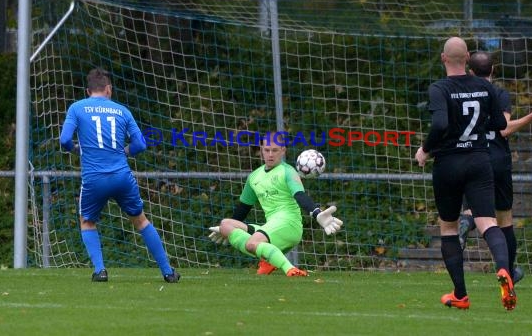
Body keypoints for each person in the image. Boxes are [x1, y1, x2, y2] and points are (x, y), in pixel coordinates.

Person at [415, 37, 515, 310]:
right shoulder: (485, 86)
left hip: (448, 164)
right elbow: (498, 123)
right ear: (468, 57)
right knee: (488, 223)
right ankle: (505, 270)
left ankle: (460, 294)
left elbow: (440, 123)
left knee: (448, 227)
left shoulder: (439, 88)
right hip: (479, 161)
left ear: (443, 58)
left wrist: (425, 149)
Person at [59, 67, 180, 283]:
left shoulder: (77, 108)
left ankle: (100, 270)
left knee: (87, 221)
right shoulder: (122, 110)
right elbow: (140, 144)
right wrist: (125, 151)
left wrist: (77, 149)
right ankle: (168, 272)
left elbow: (64, 140)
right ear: (108, 89)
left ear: (88, 91)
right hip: (122, 176)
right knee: (141, 221)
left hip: (94, 178)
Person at [458, 51, 532, 285]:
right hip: (498, 159)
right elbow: (504, 129)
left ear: (470, 71)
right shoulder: (498, 93)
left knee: (475, 210)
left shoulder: (460, 93)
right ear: (493, 71)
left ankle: (466, 222)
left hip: (473, 157)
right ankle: (508, 271)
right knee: (504, 218)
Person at [208, 132, 343, 276]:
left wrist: (316, 213)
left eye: (275, 150)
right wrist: (228, 233)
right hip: (271, 227)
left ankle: (290, 269)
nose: (270, 154)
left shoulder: (288, 171)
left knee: (251, 244)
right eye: (267, 150)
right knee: (225, 224)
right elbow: (243, 208)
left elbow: (300, 195)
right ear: (261, 150)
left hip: (289, 225)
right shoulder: (254, 177)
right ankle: (269, 258)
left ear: (283, 150)